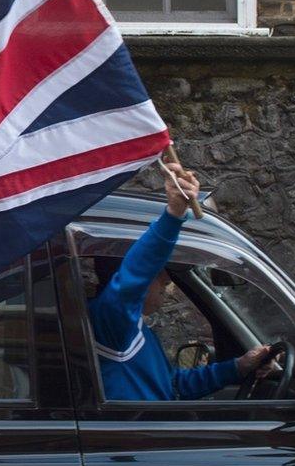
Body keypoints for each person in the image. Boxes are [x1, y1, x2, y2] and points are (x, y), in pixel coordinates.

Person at [88, 163, 279, 401]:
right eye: (159, 273)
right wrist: (173, 214)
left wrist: (239, 366)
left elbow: (174, 385)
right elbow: (136, 272)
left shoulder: (132, 327)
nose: (167, 281)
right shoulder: (111, 319)